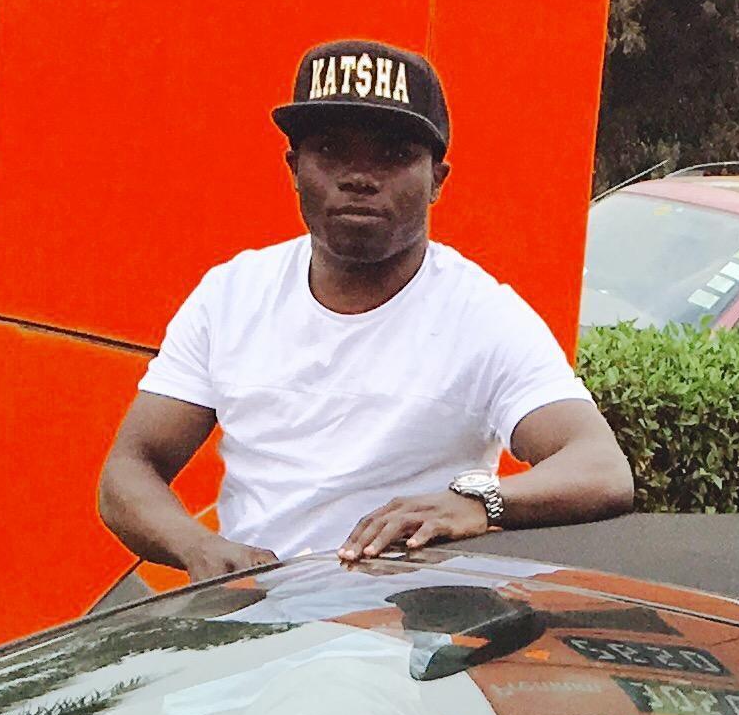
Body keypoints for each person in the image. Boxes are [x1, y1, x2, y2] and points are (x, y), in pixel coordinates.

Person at [98, 39, 634, 580]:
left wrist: (478, 502)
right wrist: (199, 548)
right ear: (293, 168)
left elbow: (600, 467)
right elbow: (129, 470)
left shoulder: (483, 317)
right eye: (331, 151)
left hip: (403, 644)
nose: (359, 176)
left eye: (393, 156)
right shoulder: (231, 295)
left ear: (437, 183)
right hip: (252, 631)